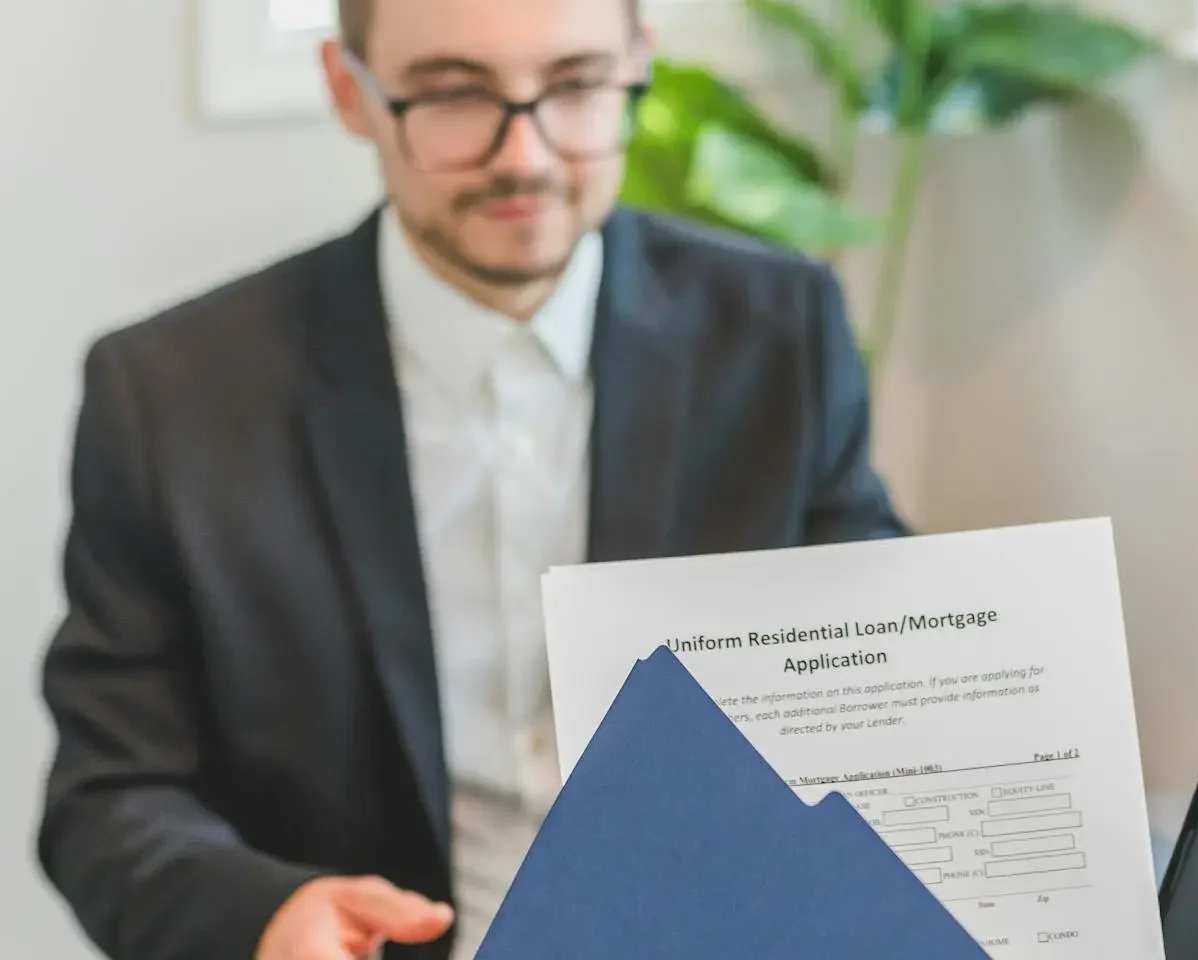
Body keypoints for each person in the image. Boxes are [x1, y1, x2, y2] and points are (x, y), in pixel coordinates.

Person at [33, 0, 906, 957]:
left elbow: (883, 682)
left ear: (637, 66)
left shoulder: (783, 334)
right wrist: (267, 917)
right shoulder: (173, 396)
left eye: (575, 86)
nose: (525, 157)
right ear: (350, 91)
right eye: (454, 94)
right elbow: (109, 795)